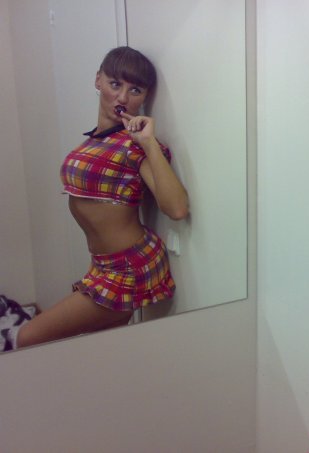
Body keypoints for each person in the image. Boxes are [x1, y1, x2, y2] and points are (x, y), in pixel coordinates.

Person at [11, 47, 188, 349]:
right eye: (115, 84)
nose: (122, 97)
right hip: (103, 265)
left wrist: (148, 144)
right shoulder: (94, 141)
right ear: (98, 81)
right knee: (105, 350)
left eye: (135, 90)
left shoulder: (134, 145)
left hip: (130, 266)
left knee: (27, 338)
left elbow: (177, 208)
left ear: (145, 97)